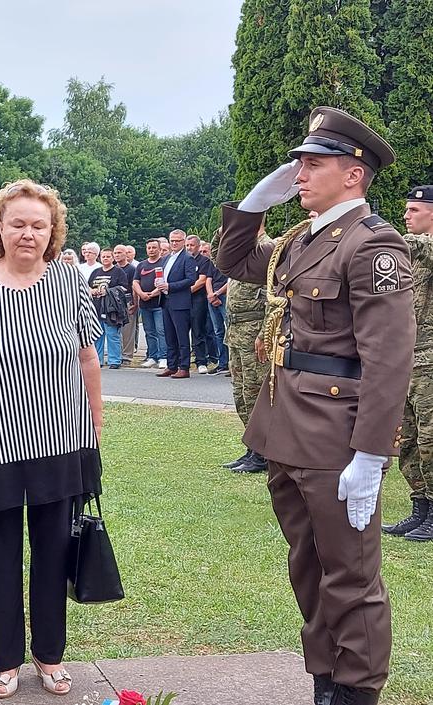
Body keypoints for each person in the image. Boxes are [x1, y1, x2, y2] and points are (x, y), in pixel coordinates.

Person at [216, 107, 414, 705]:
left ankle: (356, 692)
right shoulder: (304, 240)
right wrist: (254, 204)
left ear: (354, 174)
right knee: (307, 563)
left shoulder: (373, 244)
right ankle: (325, 679)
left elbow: (388, 359)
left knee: (351, 576)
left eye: (314, 163)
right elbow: (235, 262)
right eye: (299, 163)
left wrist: (371, 453)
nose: (299, 173)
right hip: (286, 428)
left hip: (336, 434)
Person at [0, 179, 103, 700]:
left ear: (52, 231)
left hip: (63, 439)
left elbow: (87, 358)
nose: (28, 233)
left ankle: (49, 658)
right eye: (18, 224)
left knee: (54, 552)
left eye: (39, 224)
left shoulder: (71, 281)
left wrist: (95, 426)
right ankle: (7, 661)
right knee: (0, 555)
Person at [383, 185, 433, 541]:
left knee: (431, 440)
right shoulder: (411, 254)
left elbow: (421, 246)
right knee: (409, 439)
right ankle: (421, 508)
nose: (406, 216)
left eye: (413, 210)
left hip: (430, 362)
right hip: (405, 360)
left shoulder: (422, 248)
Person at [211, 225, 270, 473]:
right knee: (241, 394)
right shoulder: (240, 252)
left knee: (255, 395)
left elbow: (274, 294)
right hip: (235, 332)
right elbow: (217, 257)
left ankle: (264, 452)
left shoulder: (266, 249)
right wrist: (222, 230)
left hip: (253, 332)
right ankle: (253, 447)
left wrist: (265, 333)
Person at [155, 229, 197, 379]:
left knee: (181, 336)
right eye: (172, 240)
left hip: (180, 302)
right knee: (169, 335)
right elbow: (165, 276)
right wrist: (159, 283)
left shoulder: (187, 258)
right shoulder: (167, 258)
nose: (174, 243)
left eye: (177, 241)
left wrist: (170, 286)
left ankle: (184, 367)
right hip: (166, 300)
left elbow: (191, 279)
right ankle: (172, 365)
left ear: (183, 242)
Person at [88, 247, 127, 369]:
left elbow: (124, 288)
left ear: (113, 258)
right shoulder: (95, 272)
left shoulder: (119, 272)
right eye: (103, 256)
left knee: (112, 334)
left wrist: (108, 292)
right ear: (100, 257)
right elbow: (87, 286)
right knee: (97, 335)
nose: (105, 259)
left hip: (111, 309)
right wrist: (93, 291)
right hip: (96, 307)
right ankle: (97, 360)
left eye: (108, 256)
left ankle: (114, 360)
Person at [132, 238, 167, 368]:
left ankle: (164, 357)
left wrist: (153, 293)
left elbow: (165, 281)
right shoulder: (141, 265)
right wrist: (141, 294)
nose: (151, 250)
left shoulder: (164, 263)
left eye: (154, 247)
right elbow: (135, 282)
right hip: (145, 304)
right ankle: (153, 356)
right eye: (149, 248)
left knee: (161, 331)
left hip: (159, 303)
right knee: (149, 331)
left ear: (159, 249)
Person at [184, 235, 211, 373]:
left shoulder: (204, 261)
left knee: (198, 330)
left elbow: (202, 280)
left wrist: (185, 291)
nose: (189, 248)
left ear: (198, 246)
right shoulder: (182, 260)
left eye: (192, 245)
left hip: (197, 300)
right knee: (181, 332)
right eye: (187, 245)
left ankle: (201, 361)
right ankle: (182, 362)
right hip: (182, 301)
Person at [114, 244, 137, 366]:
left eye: (119, 253)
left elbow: (134, 287)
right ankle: (117, 354)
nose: (117, 255)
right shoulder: (113, 269)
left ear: (126, 254)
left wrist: (135, 303)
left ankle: (127, 356)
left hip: (128, 300)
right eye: (115, 253)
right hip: (114, 302)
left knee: (128, 330)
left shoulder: (132, 269)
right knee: (115, 330)